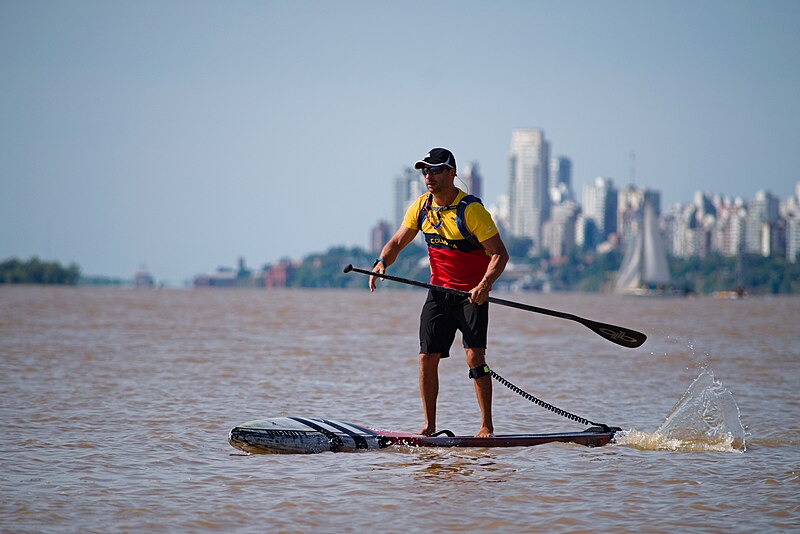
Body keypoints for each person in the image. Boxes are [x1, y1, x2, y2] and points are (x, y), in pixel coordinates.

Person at [370, 147, 509, 438]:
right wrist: (382, 261)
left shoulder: (471, 210)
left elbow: (499, 255)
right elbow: (397, 241)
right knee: (426, 357)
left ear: (452, 173)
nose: (428, 176)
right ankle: (430, 426)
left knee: (474, 358)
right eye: (425, 171)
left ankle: (486, 426)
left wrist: (483, 286)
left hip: (472, 295)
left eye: (435, 170)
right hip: (438, 293)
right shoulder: (422, 207)